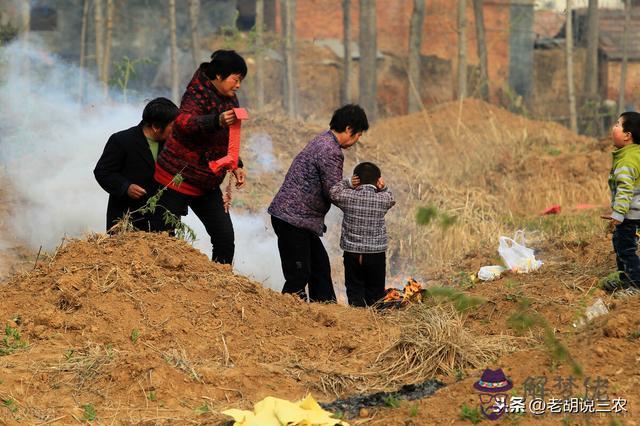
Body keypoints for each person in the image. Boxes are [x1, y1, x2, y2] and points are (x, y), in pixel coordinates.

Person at [152, 50, 247, 265]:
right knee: (163, 237)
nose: (238, 85)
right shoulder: (196, 93)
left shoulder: (230, 98)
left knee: (224, 239)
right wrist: (216, 121)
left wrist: (236, 163)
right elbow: (183, 122)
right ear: (219, 76)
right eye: (236, 79)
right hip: (177, 177)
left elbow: (227, 138)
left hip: (207, 180)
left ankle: (220, 282)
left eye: (240, 80)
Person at [268, 104, 369, 302]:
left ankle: (326, 312)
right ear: (349, 129)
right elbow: (333, 192)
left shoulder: (322, 140)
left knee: (319, 268)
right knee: (299, 275)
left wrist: (347, 185)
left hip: (297, 219)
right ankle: (287, 318)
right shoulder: (331, 151)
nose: (357, 140)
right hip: (293, 220)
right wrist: (364, 204)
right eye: (358, 135)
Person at [94, 97, 179, 232]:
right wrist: (125, 186)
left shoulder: (174, 145)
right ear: (156, 127)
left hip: (162, 222)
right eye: (172, 126)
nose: (176, 131)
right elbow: (102, 172)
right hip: (127, 220)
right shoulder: (122, 140)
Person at [329, 162, 395, 307]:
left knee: (354, 288)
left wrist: (348, 182)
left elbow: (333, 192)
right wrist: (383, 188)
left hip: (352, 252)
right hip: (375, 253)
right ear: (378, 181)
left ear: (356, 179)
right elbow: (391, 198)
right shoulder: (382, 199)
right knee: (375, 291)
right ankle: (373, 319)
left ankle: (357, 317)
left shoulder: (348, 196)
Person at [601, 111, 640, 292]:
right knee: (622, 244)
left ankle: (635, 284)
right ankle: (625, 278)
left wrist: (618, 214)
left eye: (617, 124)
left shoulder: (627, 160)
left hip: (630, 216)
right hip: (634, 213)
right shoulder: (635, 154)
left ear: (627, 135)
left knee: (626, 249)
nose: (613, 127)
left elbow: (625, 189)